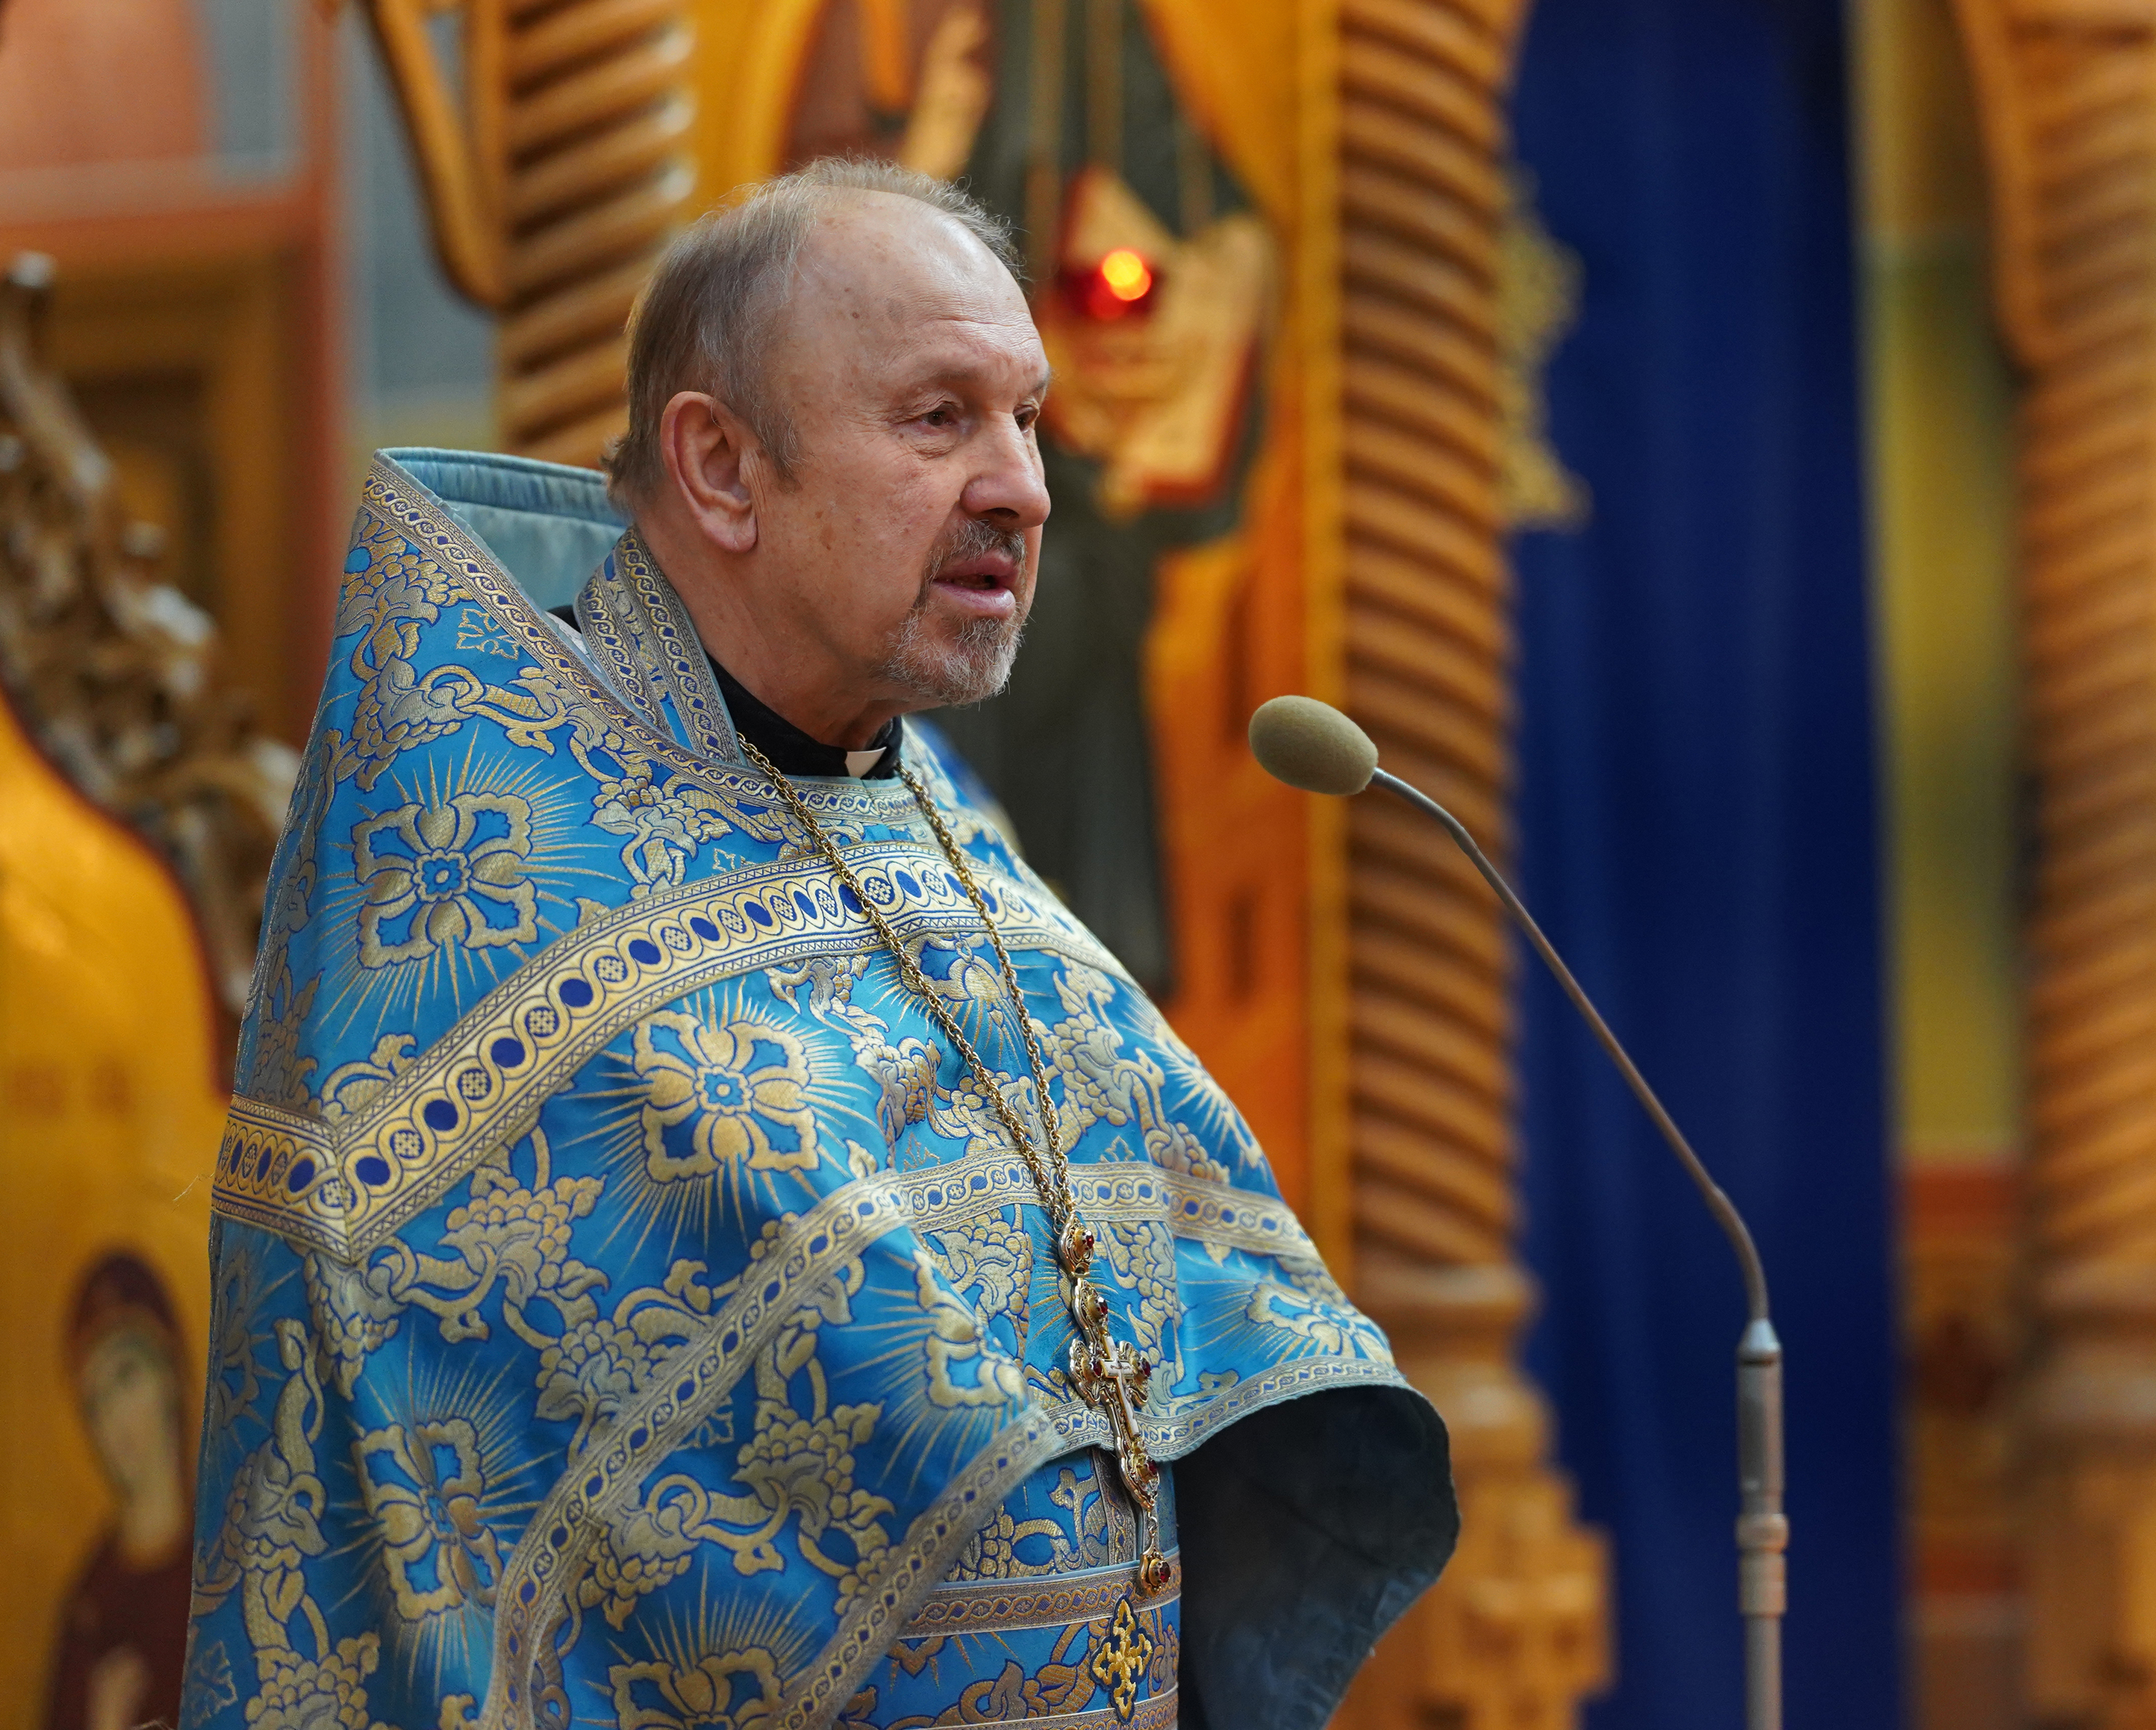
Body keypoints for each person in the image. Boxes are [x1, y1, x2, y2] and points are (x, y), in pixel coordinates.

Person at [180, 158, 1452, 1730]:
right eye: (937, 419)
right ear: (720, 468)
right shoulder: (488, 906)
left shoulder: (923, 806)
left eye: (1029, 418)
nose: (1025, 486)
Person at [44, 1253, 191, 1730]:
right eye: (96, 1398)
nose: (114, 1417)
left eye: (127, 1375)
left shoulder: (230, 1558)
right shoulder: (92, 1603)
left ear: (169, 1372)